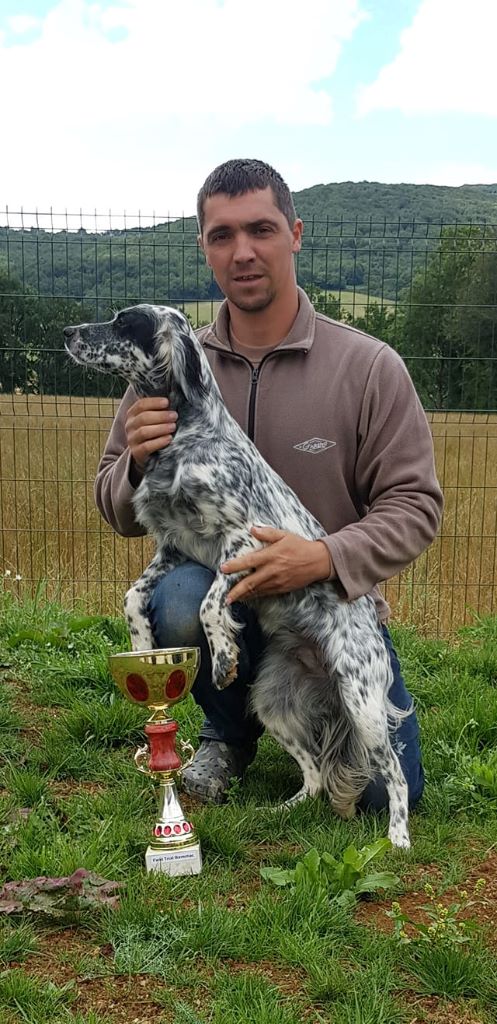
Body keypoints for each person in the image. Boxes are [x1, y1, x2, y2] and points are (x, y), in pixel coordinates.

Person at [95, 158, 443, 809]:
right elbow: (112, 504)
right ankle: (227, 734)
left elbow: (414, 503)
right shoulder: (165, 363)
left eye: (260, 229)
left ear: (295, 233)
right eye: (222, 235)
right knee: (175, 597)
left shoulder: (369, 367)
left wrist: (325, 557)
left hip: (327, 612)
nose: (242, 251)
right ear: (204, 246)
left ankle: (314, 722)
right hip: (213, 596)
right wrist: (138, 463)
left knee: (379, 799)